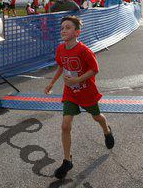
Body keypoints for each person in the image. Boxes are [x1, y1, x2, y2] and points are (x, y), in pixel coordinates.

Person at [44, 15, 114, 180]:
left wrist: (77, 80)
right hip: (70, 92)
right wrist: (52, 83)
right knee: (65, 125)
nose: (63, 30)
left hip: (86, 91)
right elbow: (61, 66)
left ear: (77, 32)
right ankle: (67, 160)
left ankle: (107, 130)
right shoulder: (61, 49)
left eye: (68, 28)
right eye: (62, 28)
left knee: (97, 117)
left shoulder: (84, 50)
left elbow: (94, 69)